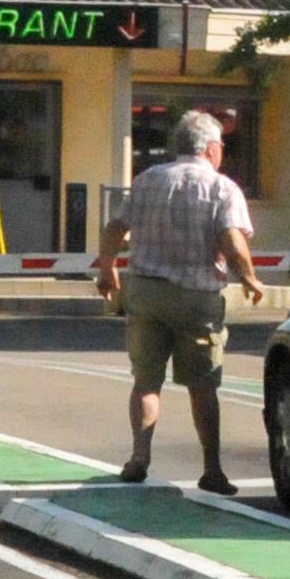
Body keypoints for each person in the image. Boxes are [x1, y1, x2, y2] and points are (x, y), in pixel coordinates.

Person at [101, 111, 260, 491]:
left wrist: (107, 269)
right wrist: (249, 277)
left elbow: (116, 227)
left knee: (146, 380)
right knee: (202, 385)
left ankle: (139, 456)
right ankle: (212, 469)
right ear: (211, 149)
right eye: (221, 147)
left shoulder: (147, 180)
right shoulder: (222, 188)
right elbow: (232, 239)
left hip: (146, 291)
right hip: (196, 295)